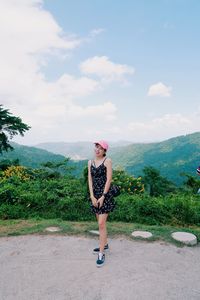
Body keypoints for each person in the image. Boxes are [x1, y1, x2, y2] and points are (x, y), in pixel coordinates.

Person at [88, 140, 115, 267]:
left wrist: (103, 196)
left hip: (105, 196)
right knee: (100, 224)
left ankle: (101, 253)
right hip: (95, 196)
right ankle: (105, 244)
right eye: (96, 147)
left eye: (100, 148)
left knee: (101, 224)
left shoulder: (107, 161)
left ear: (105, 151)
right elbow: (90, 181)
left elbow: (109, 179)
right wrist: (92, 196)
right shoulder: (90, 162)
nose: (97, 149)